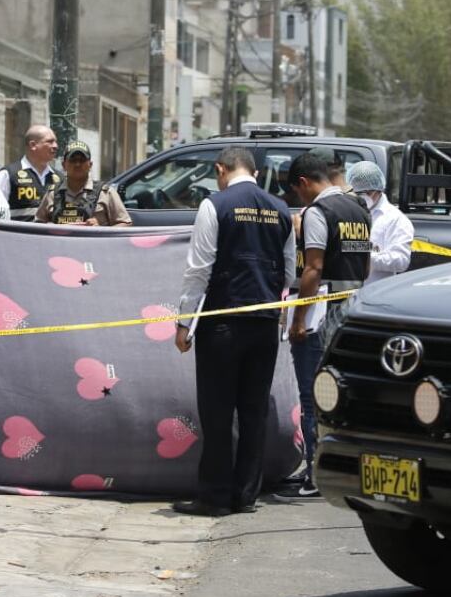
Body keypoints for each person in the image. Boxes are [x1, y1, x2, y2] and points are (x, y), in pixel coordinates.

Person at [172, 147, 295, 516]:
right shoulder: (282, 209)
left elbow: (199, 270)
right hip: (264, 324)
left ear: (220, 169)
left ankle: (214, 497)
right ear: (255, 172)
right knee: (253, 411)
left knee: (217, 412)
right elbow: (288, 272)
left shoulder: (216, 204)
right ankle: (245, 495)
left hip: (223, 322)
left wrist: (184, 322)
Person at [280, 152, 371, 499]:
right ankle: (336, 468)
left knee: (312, 395)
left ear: (304, 183)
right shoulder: (358, 209)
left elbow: (313, 269)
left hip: (320, 317)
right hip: (352, 313)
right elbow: (364, 267)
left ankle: (315, 474)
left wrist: (298, 318)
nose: (299, 199)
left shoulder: (319, 212)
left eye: (297, 192)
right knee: (341, 394)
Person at [346, 161, 413, 284]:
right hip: (344, 291)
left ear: (379, 189)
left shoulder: (395, 219)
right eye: (358, 193)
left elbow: (401, 261)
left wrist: (364, 257)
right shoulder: (346, 210)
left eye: (368, 193)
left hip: (373, 292)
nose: (363, 197)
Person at [35, 141, 131, 226]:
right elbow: (38, 225)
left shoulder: (106, 193)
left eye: (82, 160)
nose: (77, 164)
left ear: (90, 165)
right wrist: (50, 227)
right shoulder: (52, 193)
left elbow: (125, 223)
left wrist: (100, 230)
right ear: (64, 165)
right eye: (73, 160)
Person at [0, 125, 59, 221]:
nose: (55, 146)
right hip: (18, 235)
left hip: (49, 235)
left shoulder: (59, 178)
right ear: (33, 145)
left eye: (55, 142)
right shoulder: (9, 174)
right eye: (50, 142)